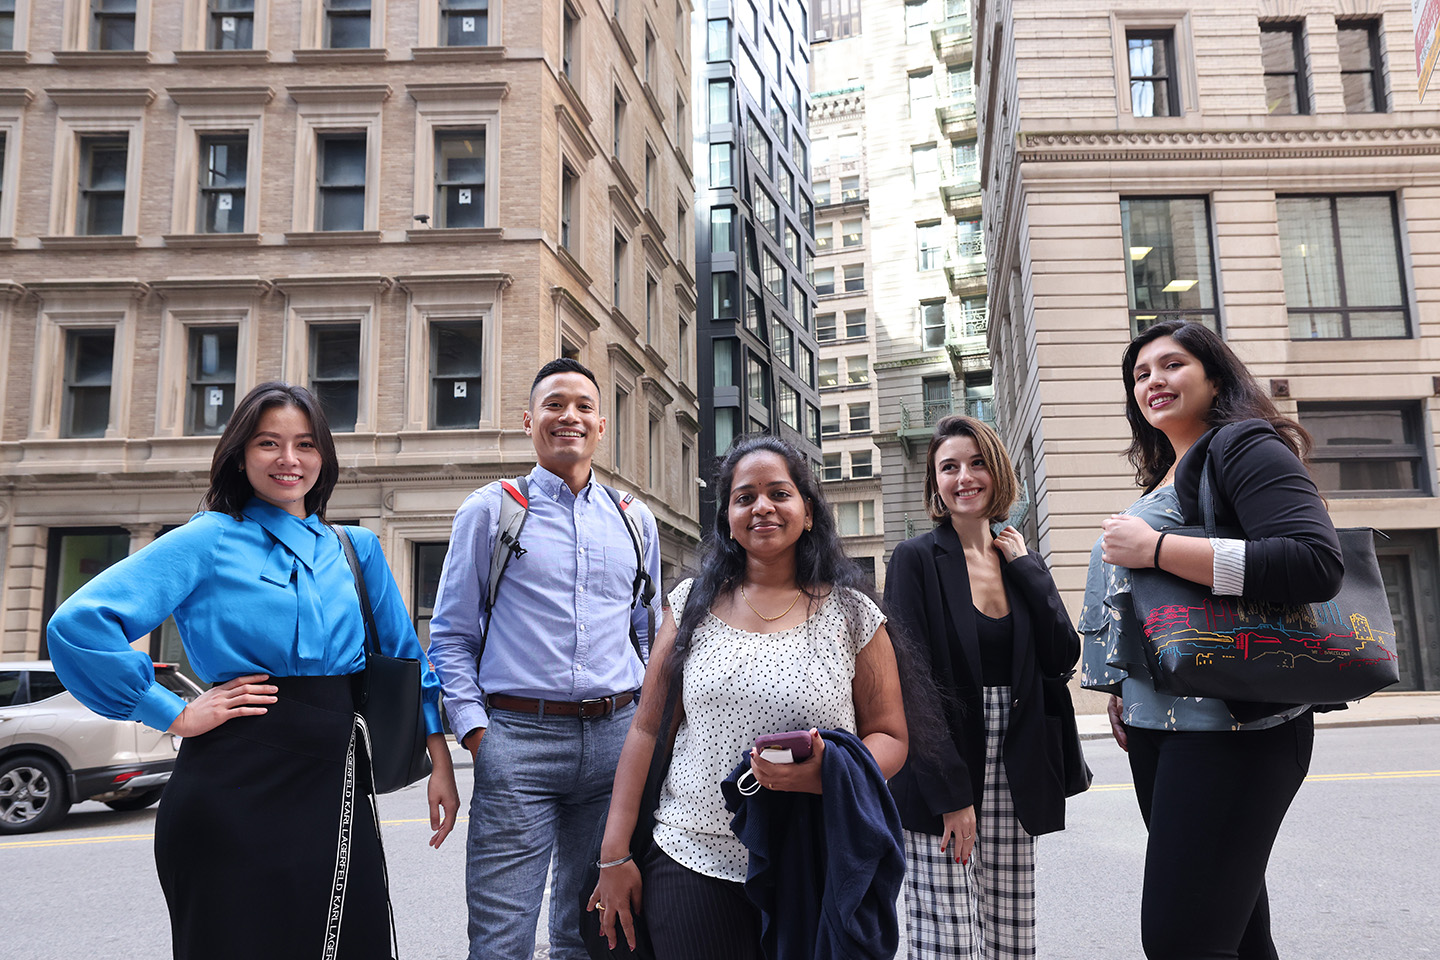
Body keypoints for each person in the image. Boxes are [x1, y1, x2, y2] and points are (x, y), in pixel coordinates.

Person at [45, 382, 459, 960]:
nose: (289, 460)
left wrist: (438, 756)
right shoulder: (207, 538)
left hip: (336, 784)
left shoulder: (356, 548)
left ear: (324, 457)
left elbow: (408, 659)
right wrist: (172, 712)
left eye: (305, 445)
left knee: (350, 941)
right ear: (241, 454)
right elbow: (79, 624)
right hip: (230, 785)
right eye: (269, 443)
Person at [588, 433, 910, 960]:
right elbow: (647, 730)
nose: (762, 507)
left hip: (814, 859)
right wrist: (613, 853)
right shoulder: (688, 605)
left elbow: (891, 736)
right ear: (729, 520)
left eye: (779, 493)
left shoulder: (852, 614)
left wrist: (829, 771)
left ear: (808, 513)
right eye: (745, 497)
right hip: (692, 858)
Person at [1080, 320, 1343, 960]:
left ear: (1216, 376)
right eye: (1140, 375)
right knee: (1236, 933)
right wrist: (1128, 685)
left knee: (1181, 940)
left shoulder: (1245, 445)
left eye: (1172, 365)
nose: (1153, 381)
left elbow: (1314, 563)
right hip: (1164, 728)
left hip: (1231, 730)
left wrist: (1159, 548)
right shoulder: (1172, 474)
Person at [427, 357, 662, 960]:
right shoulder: (492, 511)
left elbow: (648, 632)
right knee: (503, 938)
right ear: (529, 420)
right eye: (555, 405)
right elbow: (451, 636)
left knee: (589, 934)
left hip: (615, 743)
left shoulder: (635, 521)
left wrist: (645, 724)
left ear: (601, 426)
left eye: (584, 406)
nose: (570, 417)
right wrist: (480, 735)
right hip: (518, 742)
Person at [883, 415, 1081, 960]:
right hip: (944, 762)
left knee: (1010, 937)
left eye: (976, 463)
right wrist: (952, 796)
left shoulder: (1018, 558)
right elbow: (912, 685)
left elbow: (1063, 656)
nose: (964, 477)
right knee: (947, 940)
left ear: (996, 473)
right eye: (949, 467)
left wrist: (1029, 571)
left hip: (1016, 766)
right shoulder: (915, 560)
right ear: (935, 483)